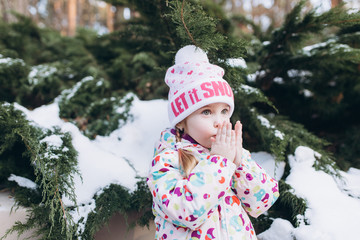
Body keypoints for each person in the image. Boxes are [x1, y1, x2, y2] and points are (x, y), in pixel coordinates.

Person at [147, 45, 279, 240]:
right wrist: (219, 163)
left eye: (224, 111)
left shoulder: (227, 155)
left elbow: (262, 202)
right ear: (182, 120)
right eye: (206, 112)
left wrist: (240, 161)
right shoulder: (166, 161)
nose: (220, 121)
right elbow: (187, 212)